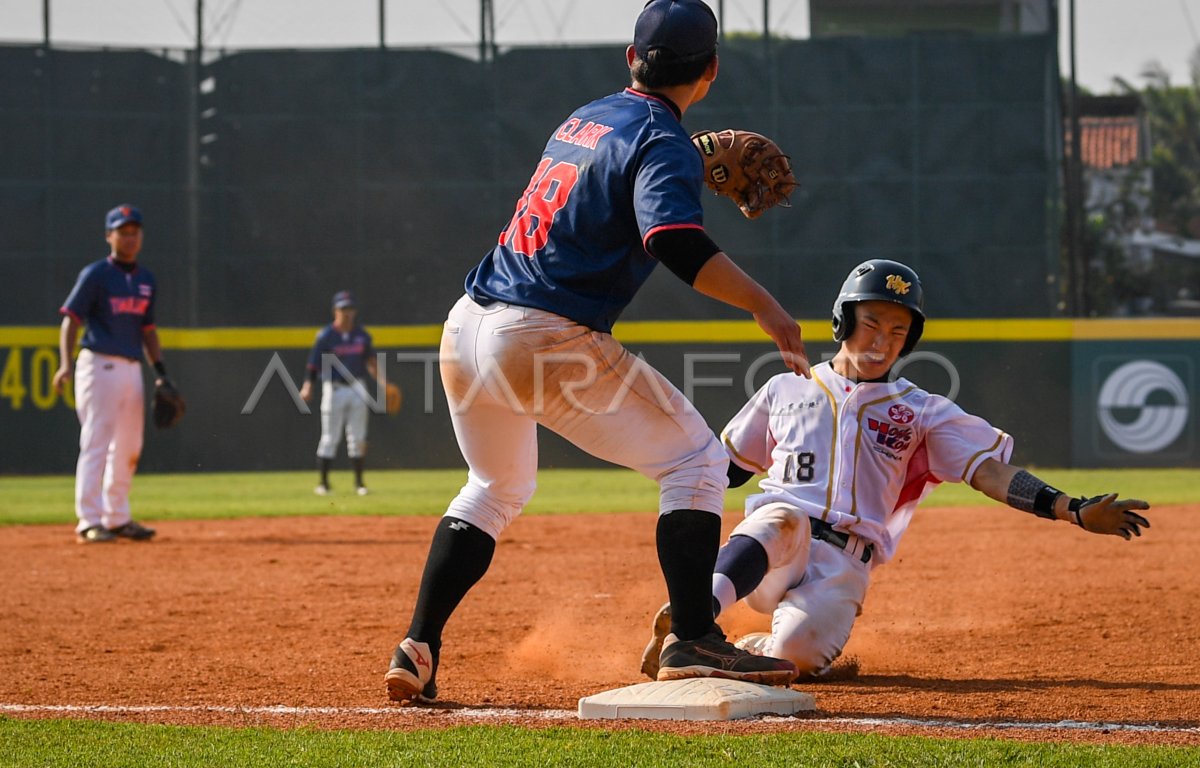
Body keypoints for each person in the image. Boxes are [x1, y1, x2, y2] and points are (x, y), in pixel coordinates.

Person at [384, 0, 812, 703]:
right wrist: (765, 304)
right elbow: (671, 240)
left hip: (467, 325)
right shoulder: (664, 143)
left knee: (495, 487)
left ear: (630, 58)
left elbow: (609, 183)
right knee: (698, 463)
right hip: (542, 335)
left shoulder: (586, 116)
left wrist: (678, 157)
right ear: (709, 71)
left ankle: (418, 644)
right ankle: (694, 638)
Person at [640, 258, 1153, 680]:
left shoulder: (923, 410)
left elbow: (990, 472)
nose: (882, 341)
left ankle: (761, 643)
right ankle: (695, 621)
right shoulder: (786, 387)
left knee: (795, 658)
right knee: (781, 518)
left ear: (909, 342)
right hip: (773, 552)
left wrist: (1072, 509)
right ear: (842, 322)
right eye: (871, 324)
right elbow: (724, 469)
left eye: (897, 330)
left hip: (845, 564)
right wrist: (680, 488)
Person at [52, 204, 167, 544]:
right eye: (123, 231)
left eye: (135, 232)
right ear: (109, 236)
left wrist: (160, 372)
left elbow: (148, 329)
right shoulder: (96, 275)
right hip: (99, 364)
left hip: (132, 368)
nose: (130, 238)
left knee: (130, 445)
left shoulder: (146, 279)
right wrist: (65, 363)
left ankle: (117, 517)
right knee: (97, 442)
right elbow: (71, 319)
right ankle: (88, 520)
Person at [299, 290, 384, 496]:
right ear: (335, 311)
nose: (347, 313)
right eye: (343, 308)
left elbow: (371, 361)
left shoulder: (361, 335)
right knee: (329, 437)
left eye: (350, 308)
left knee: (358, 438)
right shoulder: (326, 335)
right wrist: (308, 385)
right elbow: (313, 364)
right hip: (334, 388)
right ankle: (324, 484)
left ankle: (359, 484)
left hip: (357, 387)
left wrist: (383, 382)